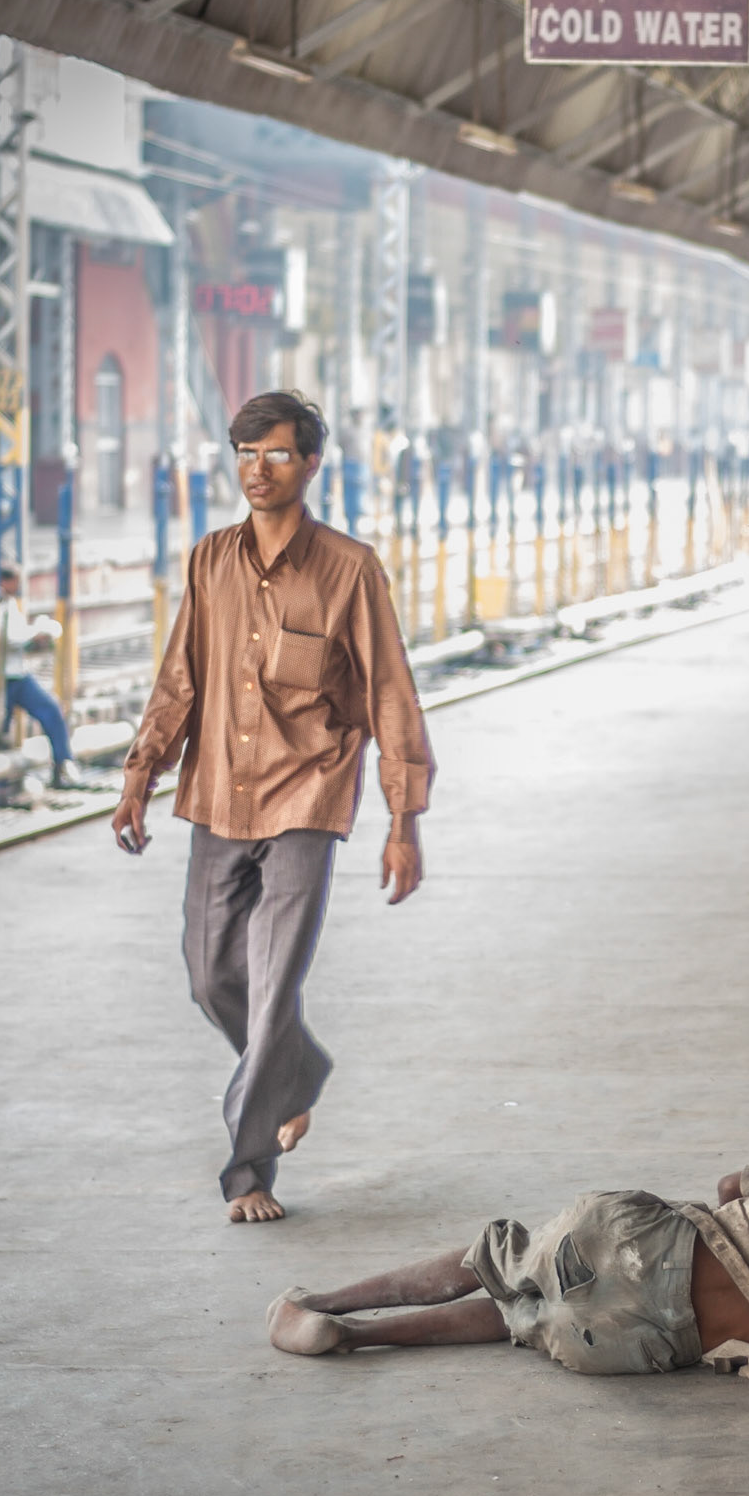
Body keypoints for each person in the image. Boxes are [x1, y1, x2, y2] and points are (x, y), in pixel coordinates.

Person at [112, 391, 436, 1225]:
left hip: (308, 796)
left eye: (278, 455)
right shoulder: (210, 561)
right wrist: (140, 771)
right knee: (209, 973)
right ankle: (297, 1072)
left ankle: (248, 1170)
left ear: (312, 465)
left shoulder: (349, 570)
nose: (259, 472)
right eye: (246, 455)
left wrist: (404, 821)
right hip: (219, 791)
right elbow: (181, 677)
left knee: (270, 984)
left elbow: (390, 695)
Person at [265, 1145, 749, 1389]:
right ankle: (364, 1341)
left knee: (500, 1253)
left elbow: (734, 1186)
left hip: (636, 1239)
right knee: (524, 1318)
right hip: (635, 1345)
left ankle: (322, 1300)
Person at [0, 560, 80, 786]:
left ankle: (63, 764)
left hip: (17, 676)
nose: (19, 585)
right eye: (15, 580)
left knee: (51, 710)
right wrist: (35, 633)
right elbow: (10, 637)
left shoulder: (10, 603)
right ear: (5, 581)